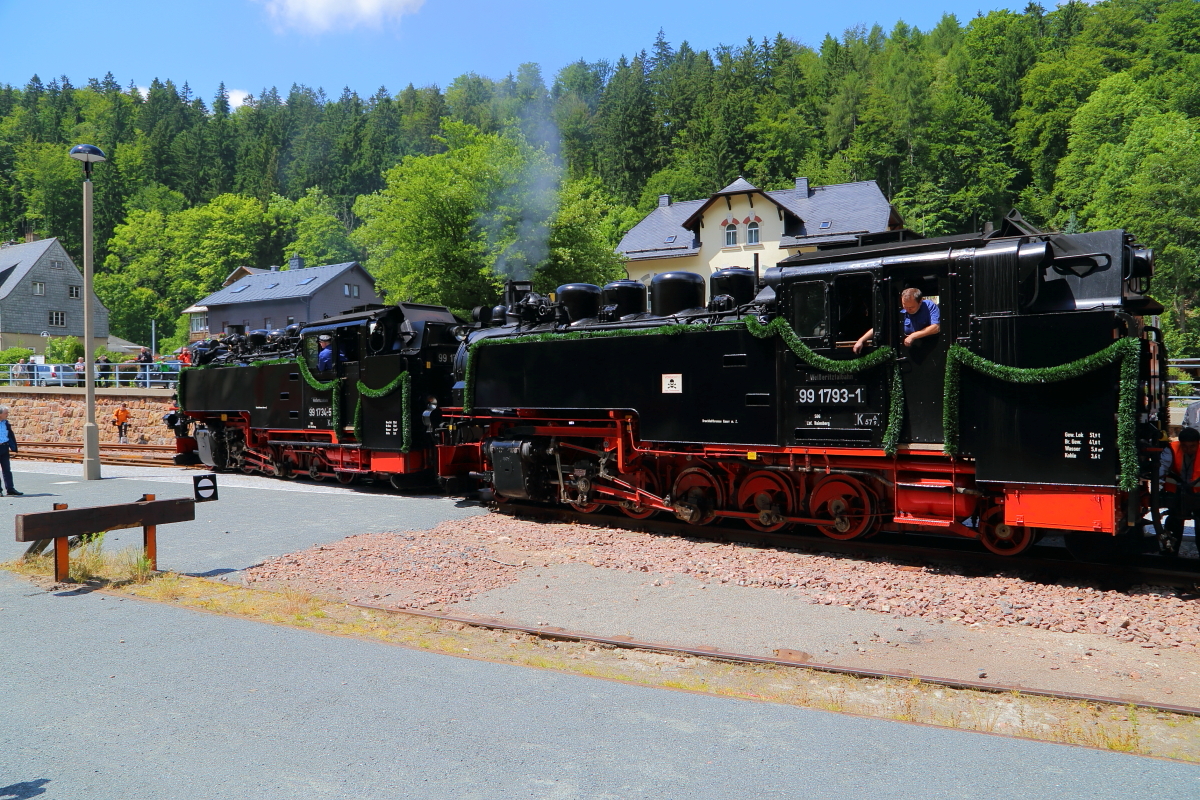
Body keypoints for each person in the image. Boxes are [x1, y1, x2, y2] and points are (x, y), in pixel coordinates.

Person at [853, 287, 941, 354]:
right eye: (905, 306)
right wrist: (861, 340)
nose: (907, 309)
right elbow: (881, 327)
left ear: (920, 302)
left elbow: (936, 327)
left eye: (911, 307)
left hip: (928, 350)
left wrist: (913, 336)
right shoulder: (897, 308)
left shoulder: (929, 306)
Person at [1160, 426, 1200, 556]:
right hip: (1176, 494)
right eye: (1185, 446)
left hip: (1198, 495)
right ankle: (1170, 555)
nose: (1188, 449)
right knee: (1174, 523)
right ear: (1180, 443)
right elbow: (1161, 470)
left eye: (1192, 446)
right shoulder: (1170, 449)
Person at [0, 405, 23, 496]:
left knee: (7, 470)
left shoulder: (6, 423)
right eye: (6, 413)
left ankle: (10, 489)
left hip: (5, 447)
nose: (7, 414)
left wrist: (13, 446)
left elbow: (10, 435)